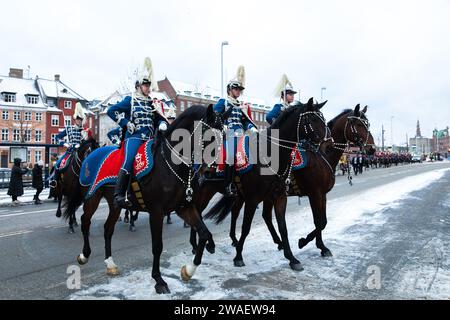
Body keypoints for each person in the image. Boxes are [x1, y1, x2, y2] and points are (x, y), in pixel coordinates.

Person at [107, 57, 169, 208]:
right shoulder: (131, 100)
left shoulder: (151, 103)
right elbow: (111, 110)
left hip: (149, 139)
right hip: (134, 138)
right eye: (145, 85)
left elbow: (158, 120)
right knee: (129, 161)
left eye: (149, 85)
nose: (148, 88)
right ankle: (119, 195)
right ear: (138, 86)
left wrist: (161, 124)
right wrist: (125, 122)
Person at [213, 65, 257, 195]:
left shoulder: (241, 105)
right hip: (228, 134)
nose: (238, 91)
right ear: (229, 89)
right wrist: (223, 126)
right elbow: (215, 116)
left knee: (256, 151)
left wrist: (251, 127)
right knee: (231, 155)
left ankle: (252, 183)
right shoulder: (223, 102)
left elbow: (244, 121)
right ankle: (228, 184)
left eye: (239, 89)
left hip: (241, 134)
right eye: (235, 89)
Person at [49, 102, 87, 187]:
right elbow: (57, 137)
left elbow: (85, 141)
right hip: (70, 151)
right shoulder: (69, 128)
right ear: (75, 120)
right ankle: (54, 180)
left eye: (80, 120)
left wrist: (81, 143)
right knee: (58, 163)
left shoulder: (84, 131)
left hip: (80, 151)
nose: (79, 121)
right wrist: (64, 143)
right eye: (78, 120)